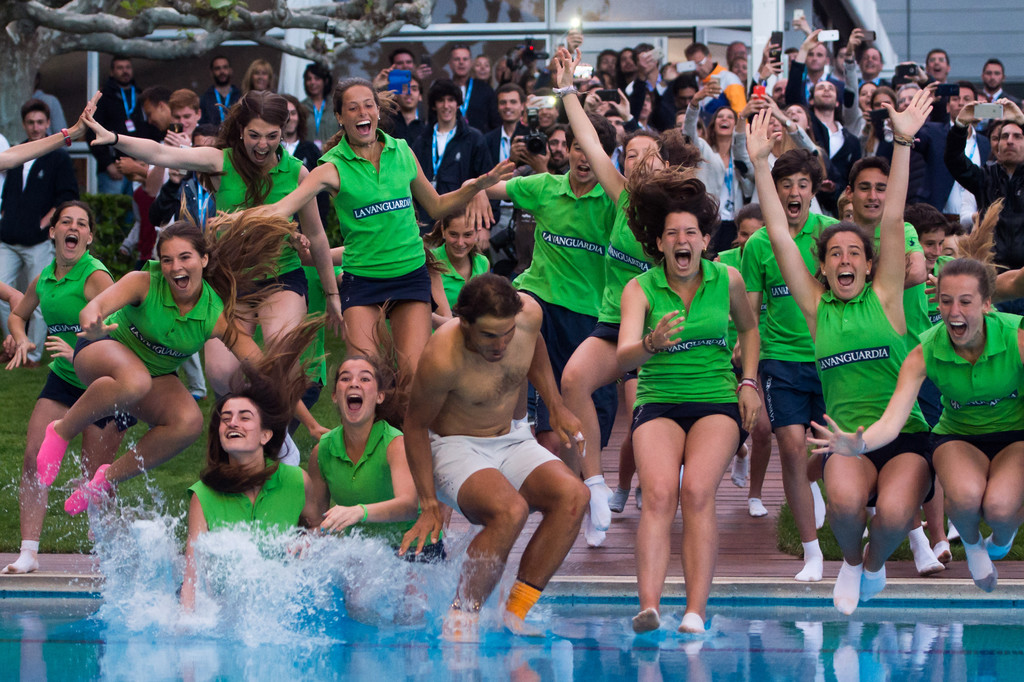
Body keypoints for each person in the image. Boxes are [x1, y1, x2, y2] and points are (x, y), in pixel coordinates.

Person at [750, 91, 937, 613]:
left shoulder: (886, 297)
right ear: (825, 267)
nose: (846, 259)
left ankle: (873, 564)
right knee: (847, 506)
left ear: (872, 265)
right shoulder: (816, 308)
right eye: (835, 254)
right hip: (843, 439)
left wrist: (901, 140)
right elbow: (782, 240)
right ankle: (852, 563)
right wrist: (759, 165)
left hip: (903, 434)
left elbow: (894, 215)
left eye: (856, 251)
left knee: (898, 515)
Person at [82, 90, 343, 404]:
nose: (262, 145)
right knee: (221, 374)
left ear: (283, 130)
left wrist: (331, 295)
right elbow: (161, 154)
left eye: (272, 136)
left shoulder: (298, 172)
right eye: (254, 135)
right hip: (230, 281)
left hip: (281, 277)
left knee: (280, 354)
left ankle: (278, 436)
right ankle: (238, 424)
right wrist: (112, 137)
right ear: (240, 130)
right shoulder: (220, 162)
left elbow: (316, 236)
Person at [810, 221, 1024, 594]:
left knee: (1002, 510)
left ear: (987, 304)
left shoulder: (1016, 339)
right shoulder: (926, 351)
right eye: (945, 301)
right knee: (966, 497)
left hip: (1014, 436)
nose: (954, 311)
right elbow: (893, 420)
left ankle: (1000, 542)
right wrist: (857, 444)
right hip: (960, 436)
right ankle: (972, 545)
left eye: (966, 302)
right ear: (934, 299)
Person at [35, 217, 298, 515]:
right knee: (135, 380)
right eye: (167, 260)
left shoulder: (213, 314)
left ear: (204, 259)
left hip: (151, 376)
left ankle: (103, 481)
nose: (176, 267)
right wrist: (93, 325)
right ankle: (60, 431)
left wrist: (298, 407)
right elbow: (91, 309)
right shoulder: (144, 281)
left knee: (189, 422)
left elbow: (260, 364)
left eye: (185, 257)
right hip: (100, 351)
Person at [267, 78, 512, 385]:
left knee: (412, 378)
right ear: (340, 118)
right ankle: (370, 431)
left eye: (368, 105)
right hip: (363, 280)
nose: (362, 113)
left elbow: (435, 207)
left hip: (410, 275)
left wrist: (479, 185)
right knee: (365, 376)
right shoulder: (331, 167)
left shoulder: (403, 151)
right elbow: (282, 207)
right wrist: (236, 219)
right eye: (352, 108)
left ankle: (403, 434)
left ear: (378, 111)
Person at [399, 273, 589, 641]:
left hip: (512, 438)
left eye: (507, 333)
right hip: (455, 446)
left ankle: (514, 613)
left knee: (575, 496)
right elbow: (415, 425)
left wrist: (556, 404)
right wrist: (427, 503)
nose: (501, 344)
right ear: (463, 321)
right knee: (510, 511)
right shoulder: (442, 355)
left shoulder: (528, 315)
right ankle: (461, 617)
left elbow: (533, 349)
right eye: (489, 335)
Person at [617, 169, 760, 633]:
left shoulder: (729, 279)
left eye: (691, 233)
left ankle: (696, 611)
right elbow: (623, 354)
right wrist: (651, 344)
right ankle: (650, 606)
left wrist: (749, 381)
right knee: (658, 493)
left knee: (696, 491)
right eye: (672, 234)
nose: (683, 241)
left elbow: (749, 329)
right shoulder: (639, 288)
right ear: (659, 244)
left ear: (704, 240)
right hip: (658, 398)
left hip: (716, 399)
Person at [547, 47, 662, 546]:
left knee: (647, 419)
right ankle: (594, 485)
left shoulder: (677, 216)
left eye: (647, 155)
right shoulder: (620, 197)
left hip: (666, 330)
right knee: (572, 382)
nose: (635, 161)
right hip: (616, 321)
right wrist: (568, 90)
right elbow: (591, 141)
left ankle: (652, 494)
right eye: (630, 154)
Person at [2, 202, 125, 574]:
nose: (73, 228)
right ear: (52, 232)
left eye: (82, 224)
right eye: (66, 222)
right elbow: (18, 312)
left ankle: (109, 555)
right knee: (35, 456)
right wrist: (21, 338)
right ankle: (28, 553)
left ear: (89, 237)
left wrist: (82, 353)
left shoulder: (95, 277)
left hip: (104, 381)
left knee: (97, 475)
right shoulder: (45, 279)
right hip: (63, 379)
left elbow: (122, 330)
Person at [740, 147, 839, 581]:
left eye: (803, 184)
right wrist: (748, 374)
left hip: (831, 360)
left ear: (813, 191)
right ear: (775, 191)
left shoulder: (833, 235)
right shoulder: (760, 246)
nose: (795, 192)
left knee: (828, 451)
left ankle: (812, 483)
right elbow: (749, 318)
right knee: (792, 448)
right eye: (786, 185)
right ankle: (812, 552)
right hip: (781, 362)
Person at [181, 320, 322, 610]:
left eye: (244, 417)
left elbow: (321, 529)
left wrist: (310, 542)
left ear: (265, 435)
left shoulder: (297, 481)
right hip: (225, 611)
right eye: (226, 418)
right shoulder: (203, 495)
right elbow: (192, 574)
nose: (232, 422)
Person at [308, 351, 436, 555]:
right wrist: (307, 542)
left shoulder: (395, 444)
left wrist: (360, 511)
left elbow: (408, 505)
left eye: (365, 378)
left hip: (413, 550)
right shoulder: (322, 451)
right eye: (345, 378)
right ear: (334, 396)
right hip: (363, 554)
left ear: (379, 396)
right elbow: (317, 522)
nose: (354, 383)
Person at [0, 99, 79, 368]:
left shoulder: (58, 157)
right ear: (24, 124)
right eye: (30, 122)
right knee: (7, 296)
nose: (35, 127)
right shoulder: (16, 151)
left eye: (40, 122)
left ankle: (31, 353)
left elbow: (68, 197)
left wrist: (46, 225)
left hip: (36, 240)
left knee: (40, 297)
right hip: (7, 239)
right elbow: (8, 171)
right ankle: (14, 343)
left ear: (47, 123)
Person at [410, 79, 493, 224]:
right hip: (427, 221)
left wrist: (486, 228)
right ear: (434, 105)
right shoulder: (422, 140)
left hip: (462, 222)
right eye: (441, 100)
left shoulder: (474, 138)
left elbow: (487, 181)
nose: (446, 105)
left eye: (451, 100)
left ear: (458, 103)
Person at [91, 56, 159, 195]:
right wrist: (107, 164)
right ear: (112, 72)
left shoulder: (141, 95)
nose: (125, 71)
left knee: (137, 211)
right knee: (112, 213)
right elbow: (93, 132)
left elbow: (151, 128)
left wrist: (148, 160)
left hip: (140, 164)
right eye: (120, 68)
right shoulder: (104, 97)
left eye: (128, 67)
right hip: (114, 168)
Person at [426, 213, 489, 311]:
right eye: (453, 234)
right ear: (443, 231)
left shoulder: (483, 263)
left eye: (467, 235)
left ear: (477, 233)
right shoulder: (429, 262)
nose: (460, 243)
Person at [301, 62, 339, 150]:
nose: (312, 82)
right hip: (307, 158)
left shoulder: (335, 106)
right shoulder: (301, 107)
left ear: (325, 81)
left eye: (317, 78)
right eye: (309, 79)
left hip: (332, 157)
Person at [199, 55, 240, 126]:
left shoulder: (240, 96)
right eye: (217, 68)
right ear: (211, 72)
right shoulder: (204, 99)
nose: (222, 71)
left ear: (230, 70)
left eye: (225, 67)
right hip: (211, 136)